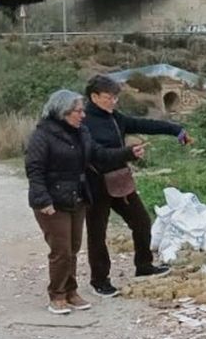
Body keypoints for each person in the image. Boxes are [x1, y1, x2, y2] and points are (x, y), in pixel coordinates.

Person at [24, 88, 140, 315]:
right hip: (52, 201)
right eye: (78, 111)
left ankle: (71, 291)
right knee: (61, 250)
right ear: (63, 112)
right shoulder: (42, 136)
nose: (83, 115)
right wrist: (43, 200)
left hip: (77, 197)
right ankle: (57, 295)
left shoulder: (82, 132)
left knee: (73, 248)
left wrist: (128, 153)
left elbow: (99, 154)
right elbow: (34, 170)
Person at [82, 74, 190, 296]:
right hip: (95, 183)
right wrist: (128, 153)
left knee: (141, 221)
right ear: (94, 97)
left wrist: (175, 129)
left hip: (120, 180)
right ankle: (99, 280)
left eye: (116, 97)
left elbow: (143, 124)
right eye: (109, 98)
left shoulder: (115, 117)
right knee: (97, 233)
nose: (114, 102)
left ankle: (144, 265)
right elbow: (97, 155)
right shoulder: (84, 123)